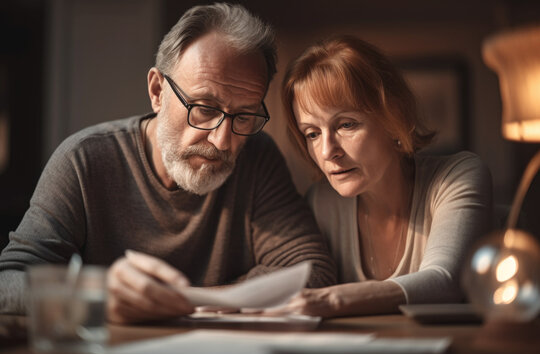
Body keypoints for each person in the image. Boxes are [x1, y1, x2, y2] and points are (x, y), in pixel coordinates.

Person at [0, 3, 336, 324]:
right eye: (204, 107)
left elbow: (311, 271)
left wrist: (183, 301)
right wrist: (97, 295)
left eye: (245, 115)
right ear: (158, 91)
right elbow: (9, 282)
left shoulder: (257, 157)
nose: (223, 141)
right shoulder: (84, 160)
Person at [276, 35, 492, 317]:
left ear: (394, 118)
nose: (328, 151)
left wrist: (332, 300)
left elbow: (444, 281)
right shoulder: (322, 203)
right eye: (313, 134)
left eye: (346, 124)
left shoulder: (458, 177)